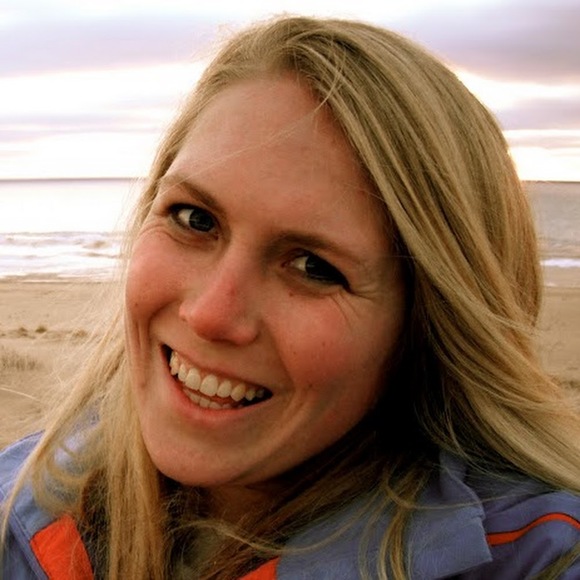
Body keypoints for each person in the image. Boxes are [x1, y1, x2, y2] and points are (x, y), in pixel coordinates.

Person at [1, 14, 579, 580]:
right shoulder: (19, 503)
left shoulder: (537, 556)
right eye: (195, 218)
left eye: (313, 267)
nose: (209, 314)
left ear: (424, 326)